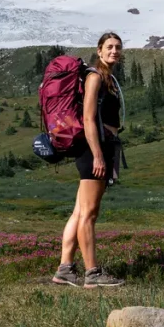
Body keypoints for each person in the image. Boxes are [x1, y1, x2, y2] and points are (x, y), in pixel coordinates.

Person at [53, 32, 126, 289]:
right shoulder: (95, 77)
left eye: (118, 47)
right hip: (95, 149)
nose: (114, 51)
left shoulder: (107, 78)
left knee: (79, 211)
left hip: (99, 147)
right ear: (99, 49)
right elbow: (87, 119)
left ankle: (64, 269)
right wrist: (97, 155)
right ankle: (92, 273)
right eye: (109, 47)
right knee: (90, 214)